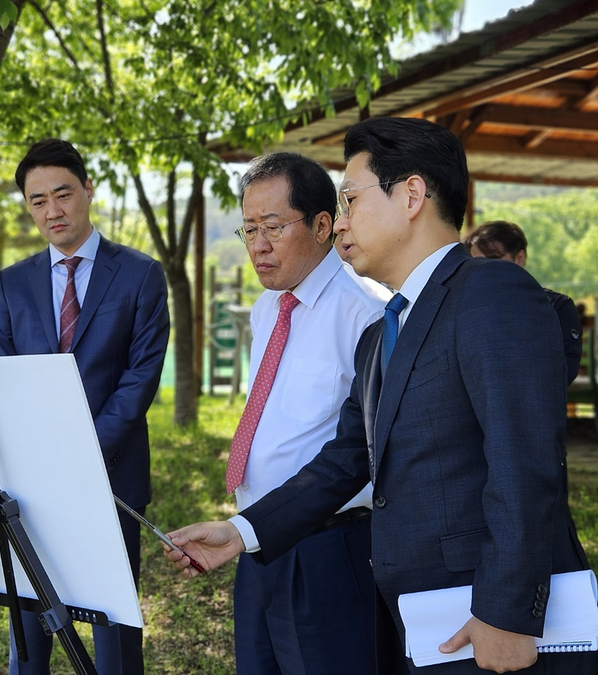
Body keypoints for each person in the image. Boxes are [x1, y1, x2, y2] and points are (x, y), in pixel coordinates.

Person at [165, 117, 594, 675]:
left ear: (411, 194)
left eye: (349, 200)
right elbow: (343, 463)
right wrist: (238, 532)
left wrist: (508, 613)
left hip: (484, 620)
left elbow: (525, 461)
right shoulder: (384, 333)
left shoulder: (488, 290)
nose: (339, 225)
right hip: (421, 618)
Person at [0, 138, 169, 675]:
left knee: (113, 630)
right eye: (37, 201)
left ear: (88, 190)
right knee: (29, 624)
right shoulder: (11, 283)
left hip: (111, 475)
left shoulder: (139, 274)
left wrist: (83, 452)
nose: (52, 211)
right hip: (31, 482)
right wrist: (40, 456)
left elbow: (139, 379)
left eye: (62, 194)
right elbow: (1, 377)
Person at [227, 152, 389, 675]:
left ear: (324, 225)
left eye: (273, 226)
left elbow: (367, 450)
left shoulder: (368, 314)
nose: (259, 244)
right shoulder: (266, 308)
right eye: (249, 229)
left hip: (330, 549)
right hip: (257, 538)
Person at [463, 220, 582, 386]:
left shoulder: (556, 307)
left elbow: (563, 371)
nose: (484, 269)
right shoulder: (464, 309)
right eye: (476, 263)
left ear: (519, 258)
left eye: (493, 260)